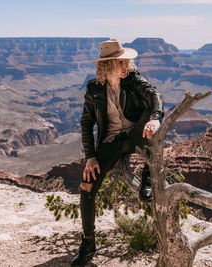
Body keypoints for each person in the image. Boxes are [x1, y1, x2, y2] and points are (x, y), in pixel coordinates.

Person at [71, 39, 163, 266]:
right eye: (120, 62)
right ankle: (88, 243)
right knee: (86, 186)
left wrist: (155, 118)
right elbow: (86, 123)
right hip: (111, 142)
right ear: (106, 65)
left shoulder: (133, 80)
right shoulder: (94, 89)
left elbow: (154, 96)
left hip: (136, 134)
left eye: (127, 61)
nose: (126, 66)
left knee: (151, 120)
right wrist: (90, 156)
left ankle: (147, 176)